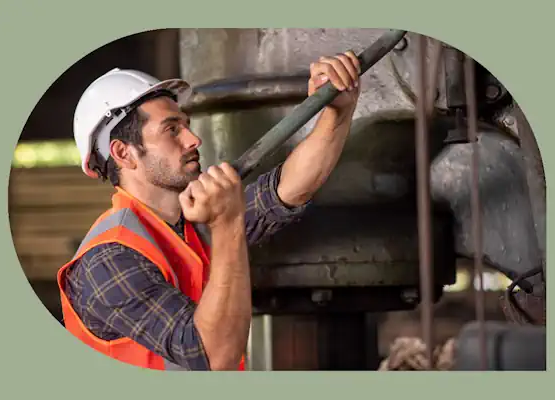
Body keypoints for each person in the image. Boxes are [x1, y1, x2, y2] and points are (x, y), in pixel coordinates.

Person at [57, 51, 362, 371]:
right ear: (124, 153)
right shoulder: (108, 260)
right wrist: (227, 222)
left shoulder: (188, 224)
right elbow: (212, 358)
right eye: (172, 130)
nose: (194, 139)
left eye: (186, 125)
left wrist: (336, 112)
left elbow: (289, 187)